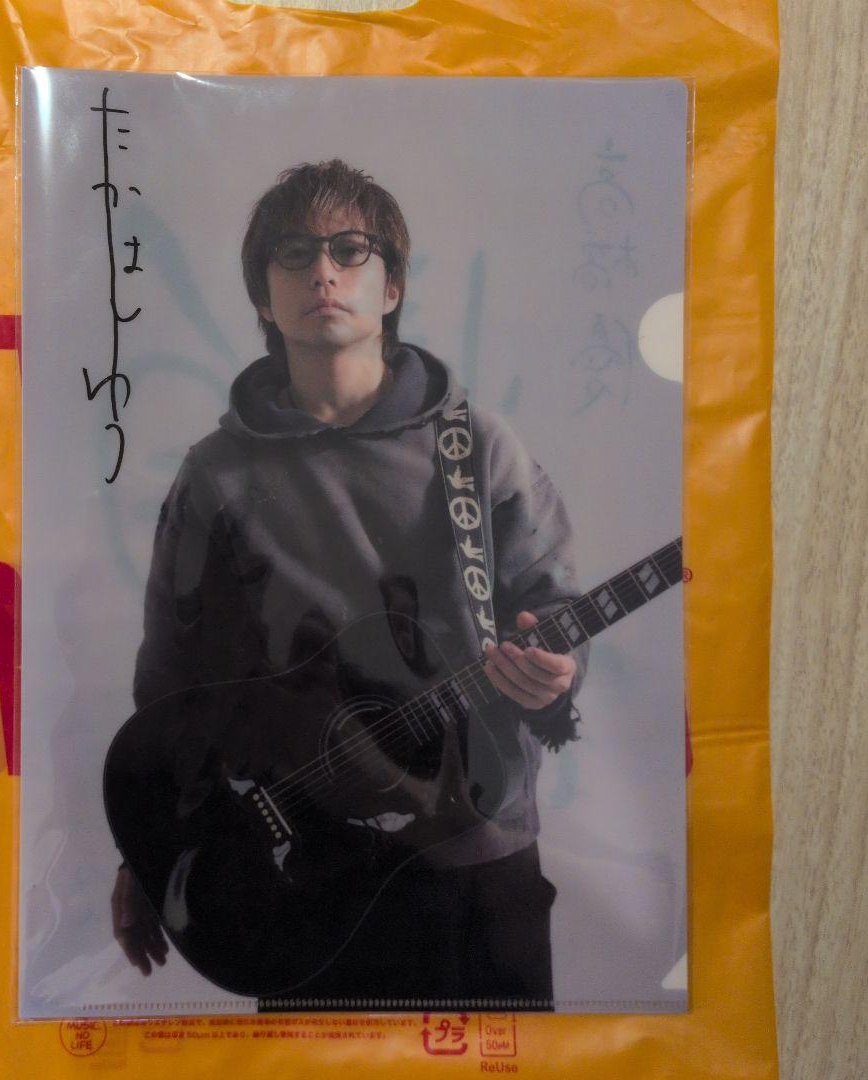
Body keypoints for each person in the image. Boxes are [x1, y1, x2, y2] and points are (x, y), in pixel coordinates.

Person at [111, 159, 587, 1008]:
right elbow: (172, 686)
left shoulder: (475, 446)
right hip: (300, 870)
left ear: (392, 285)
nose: (322, 273)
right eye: (293, 254)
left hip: (476, 859)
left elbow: (551, 609)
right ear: (262, 298)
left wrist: (555, 674)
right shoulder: (216, 475)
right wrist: (154, 855)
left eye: (350, 250)